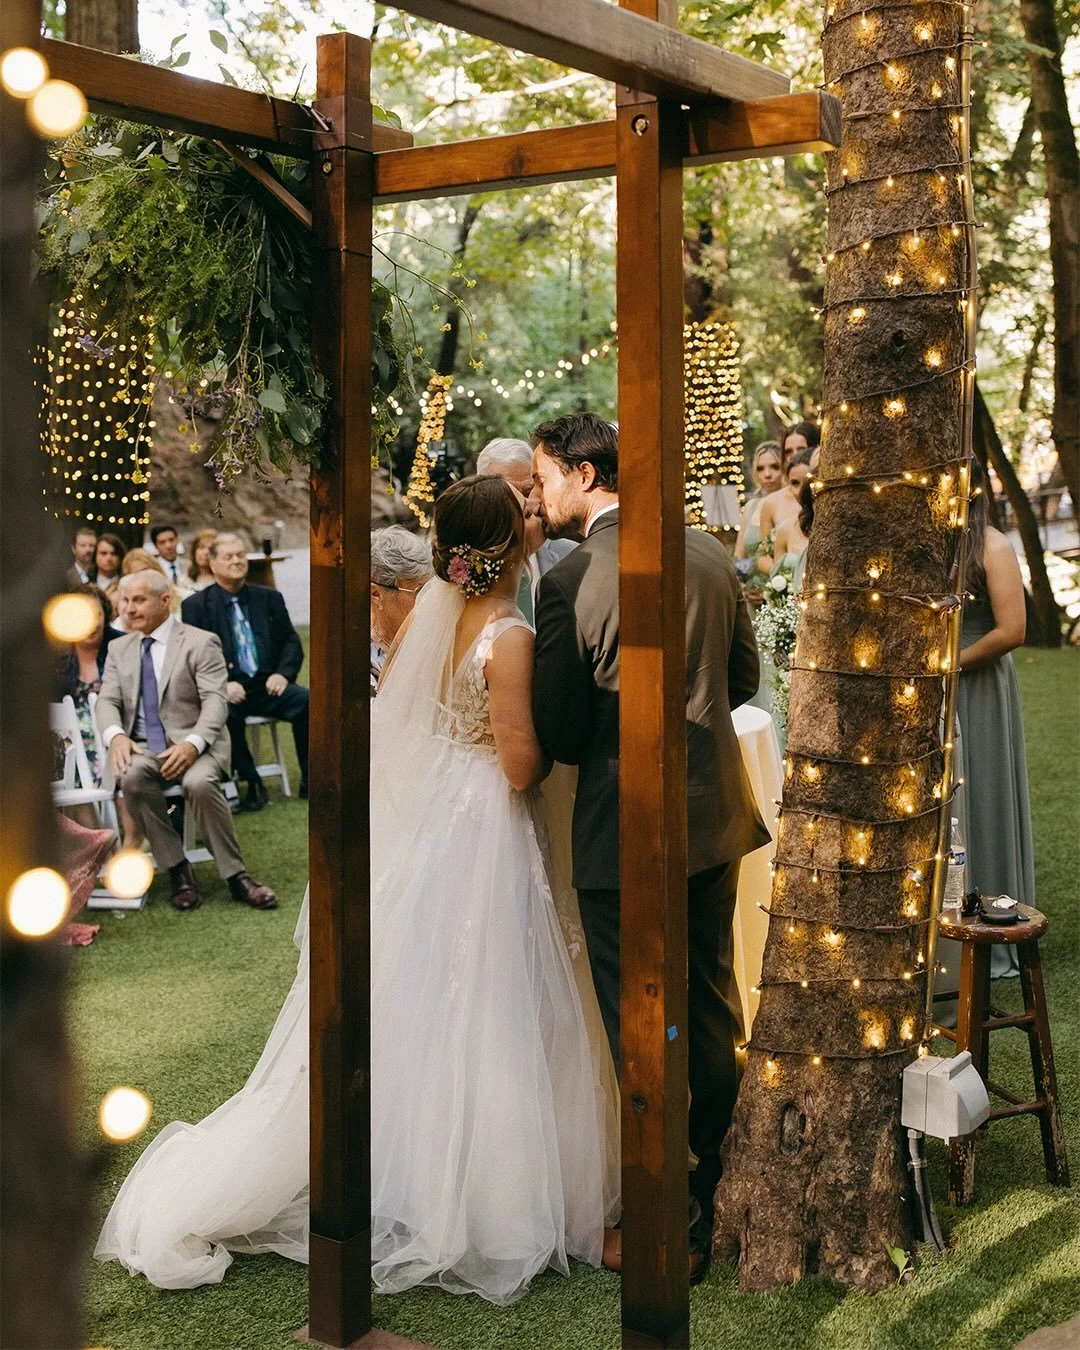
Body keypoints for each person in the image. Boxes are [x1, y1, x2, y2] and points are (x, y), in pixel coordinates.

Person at [96, 475, 619, 1305]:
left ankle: (420, 1174)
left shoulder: (432, 627)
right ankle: (479, 1195)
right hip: (483, 823)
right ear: (510, 544)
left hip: (438, 826)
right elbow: (520, 763)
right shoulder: (509, 637)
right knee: (488, 998)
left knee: (436, 1000)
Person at [529, 411, 769, 1273]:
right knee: (707, 1007)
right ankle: (724, 1190)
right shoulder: (705, 551)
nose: (538, 490)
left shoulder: (572, 581)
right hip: (710, 821)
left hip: (621, 833)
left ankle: (670, 1224)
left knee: (643, 1027)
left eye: (543, 473)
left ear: (584, 474)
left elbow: (555, 730)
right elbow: (743, 681)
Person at [96, 570, 277, 913]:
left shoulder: (199, 641)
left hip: (199, 743)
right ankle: (178, 869)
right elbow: (107, 701)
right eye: (124, 600)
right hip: (143, 748)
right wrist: (116, 735)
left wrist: (193, 743)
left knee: (198, 781)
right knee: (131, 777)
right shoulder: (119, 647)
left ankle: (236, 875)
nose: (128, 608)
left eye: (138, 600)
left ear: (165, 600)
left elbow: (215, 701)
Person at [956, 461, 1034, 978]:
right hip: (935, 685)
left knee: (984, 794)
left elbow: (1013, 629)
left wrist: (949, 664)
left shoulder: (993, 544)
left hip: (979, 686)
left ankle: (994, 922)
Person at [181, 534, 308, 809]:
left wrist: (283, 674)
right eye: (228, 557)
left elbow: (290, 640)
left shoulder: (268, 598)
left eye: (240, 555)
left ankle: (313, 780)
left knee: (307, 702)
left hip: (267, 683)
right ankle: (250, 783)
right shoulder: (195, 606)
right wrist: (221, 683)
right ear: (212, 564)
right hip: (227, 687)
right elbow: (192, 656)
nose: (237, 561)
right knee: (220, 711)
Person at [476, 437, 576, 623]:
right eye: (511, 494)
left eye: (528, 491)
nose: (527, 504)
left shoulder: (571, 555)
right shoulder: (466, 561)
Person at [370, 525, 432, 695]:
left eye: (431, 589)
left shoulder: (436, 635)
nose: (430, 600)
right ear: (376, 594)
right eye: (419, 591)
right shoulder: (357, 652)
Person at [734, 441, 783, 594]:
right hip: (751, 594)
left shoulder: (793, 505)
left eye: (775, 467)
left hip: (781, 594)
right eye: (761, 468)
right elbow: (740, 555)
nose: (767, 474)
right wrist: (742, 586)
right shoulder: (751, 506)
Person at [756, 447, 814, 575]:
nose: (800, 491)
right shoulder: (786, 528)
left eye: (808, 482)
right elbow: (774, 570)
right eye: (795, 483)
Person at [94, 532, 126, 617]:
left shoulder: (127, 583)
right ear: (95, 556)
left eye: (114, 554)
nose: (109, 558)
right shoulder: (85, 581)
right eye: (103, 553)